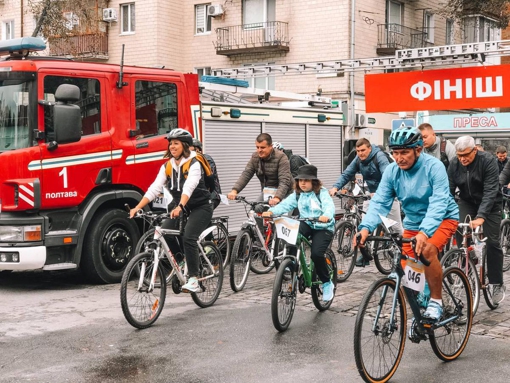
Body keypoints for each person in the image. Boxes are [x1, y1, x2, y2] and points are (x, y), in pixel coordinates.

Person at [355, 127, 459, 322]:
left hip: (443, 217)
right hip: (413, 222)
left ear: (418, 150)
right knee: (406, 267)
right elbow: (380, 202)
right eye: (395, 153)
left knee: (427, 251)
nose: (399, 158)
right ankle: (419, 301)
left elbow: (438, 202)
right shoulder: (393, 171)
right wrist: (366, 227)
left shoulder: (434, 167)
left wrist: (425, 232)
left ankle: (436, 301)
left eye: (404, 153)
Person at [129, 128, 213, 293]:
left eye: (176, 143)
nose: (172, 147)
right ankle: (182, 261)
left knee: (189, 236)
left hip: (200, 206)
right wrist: (138, 207)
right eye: (170, 144)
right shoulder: (167, 166)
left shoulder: (194, 163)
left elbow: (189, 187)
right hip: (180, 206)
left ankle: (194, 279)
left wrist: (180, 206)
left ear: (185, 145)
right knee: (165, 232)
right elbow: (155, 188)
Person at [262, 164, 336, 301]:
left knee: (316, 253)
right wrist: (271, 212)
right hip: (307, 223)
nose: (302, 183)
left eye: (306, 180)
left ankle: (327, 283)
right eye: (300, 180)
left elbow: (329, 206)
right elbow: (285, 205)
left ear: (313, 181)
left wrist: (327, 215)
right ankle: (291, 264)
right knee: (292, 234)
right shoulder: (297, 194)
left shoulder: (322, 193)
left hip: (323, 226)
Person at [448, 136, 506, 304]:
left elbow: (490, 191)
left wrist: (481, 217)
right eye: (459, 155)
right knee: (458, 226)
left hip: (491, 204)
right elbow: (449, 190)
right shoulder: (454, 163)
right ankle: (468, 256)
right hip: (467, 201)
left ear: (475, 150)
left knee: (492, 241)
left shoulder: (487, 161)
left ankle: (496, 283)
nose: (462, 159)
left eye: (466, 154)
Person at [329, 138, 403, 265]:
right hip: (371, 194)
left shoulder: (379, 156)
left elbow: (387, 175)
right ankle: (366, 253)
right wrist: (336, 187)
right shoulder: (358, 159)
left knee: (396, 228)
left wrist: (381, 192)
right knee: (365, 225)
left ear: (369, 148)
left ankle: (404, 251)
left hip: (389, 194)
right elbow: (347, 174)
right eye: (358, 151)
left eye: (363, 150)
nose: (360, 153)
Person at [227, 133, 292, 206]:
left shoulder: (281, 157)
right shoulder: (255, 157)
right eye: (257, 147)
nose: (259, 150)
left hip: (285, 193)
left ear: (270, 146)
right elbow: (246, 174)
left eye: (262, 147)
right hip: (267, 192)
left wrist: (277, 197)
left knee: (279, 215)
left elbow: (284, 180)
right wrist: (234, 191)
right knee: (255, 209)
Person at [190, 138, 222, 209]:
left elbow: (209, 177)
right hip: (197, 196)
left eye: (190, 146)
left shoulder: (207, 159)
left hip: (212, 195)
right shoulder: (187, 161)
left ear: (197, 149)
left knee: (200, 214)